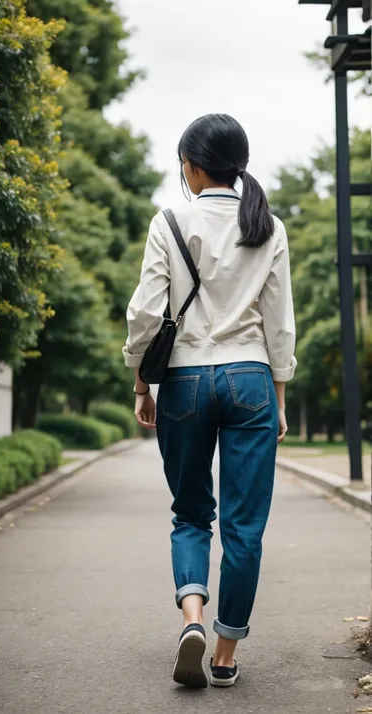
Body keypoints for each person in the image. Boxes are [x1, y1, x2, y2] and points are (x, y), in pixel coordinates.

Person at [123, 114, 296, 690]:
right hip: (249, 378)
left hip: (186, 380)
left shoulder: (169, 221)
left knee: (192, 512)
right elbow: (279, 324)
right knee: (246, 527)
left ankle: (191, 619)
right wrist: (279, 393)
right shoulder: (267, 225)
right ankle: (224, 655)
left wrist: (140, 380)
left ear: (193, 166)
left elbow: (147, 312)